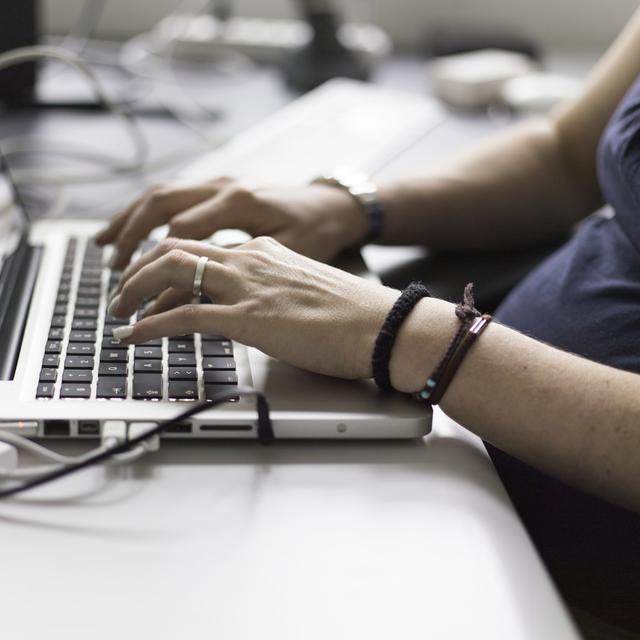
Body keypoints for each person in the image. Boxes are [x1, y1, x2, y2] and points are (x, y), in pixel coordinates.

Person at [96, 7, 640, 638]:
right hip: (466, 459)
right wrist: (347, 207)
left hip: (569, 595)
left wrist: (400, 332)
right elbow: (565, 158)